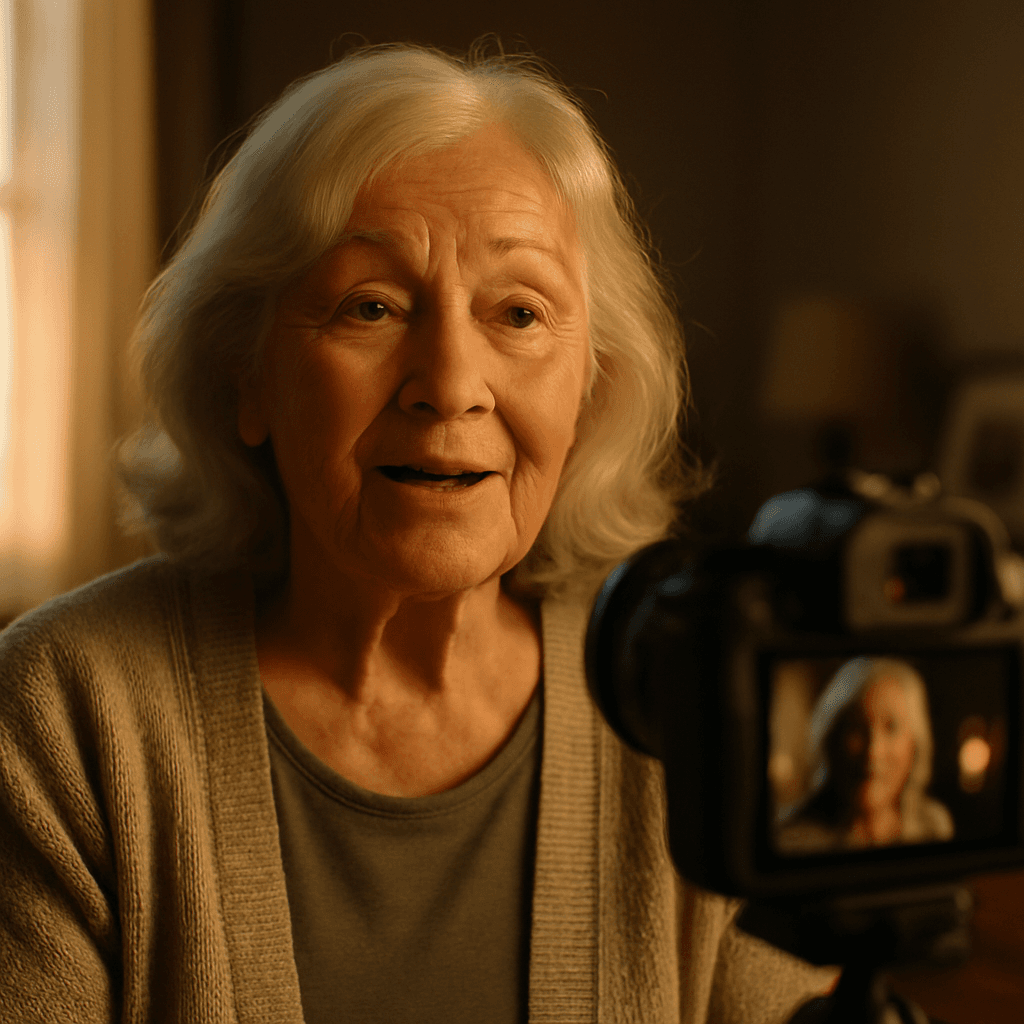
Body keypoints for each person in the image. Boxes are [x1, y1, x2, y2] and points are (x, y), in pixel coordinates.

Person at [0, 41, 835, 1023]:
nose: (448, 384)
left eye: (518, 313)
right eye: (373, 306)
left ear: (590, 387)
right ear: (246, 375)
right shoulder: (62, 710)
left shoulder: (686, 705)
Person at [776, 657, 954, 855]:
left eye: (891, 727)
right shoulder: (793, 843)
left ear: (916, 743)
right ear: (832, 739)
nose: (873, 751)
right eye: (857, 728)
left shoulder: (934, 827)